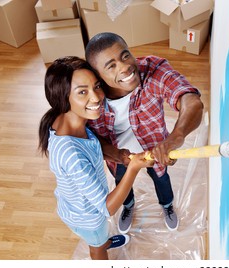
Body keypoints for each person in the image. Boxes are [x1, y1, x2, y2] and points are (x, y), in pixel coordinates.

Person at [85, 32, 204, 233]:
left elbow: (191, 100)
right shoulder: (90, 97)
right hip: (119, 156)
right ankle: (128, 206)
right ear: (98, 76)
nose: (125, 67)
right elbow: (89, 137)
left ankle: (167, 206)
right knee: (122, 181)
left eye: (125, 56)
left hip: (156, 148)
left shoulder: (152, 69)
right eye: (111, 66)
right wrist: (118, 155)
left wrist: (175, 138)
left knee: (161, 178)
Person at [38, 56, 153, 260]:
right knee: (97, 248)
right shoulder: (72, 156)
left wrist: (117, 154)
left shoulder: (63, 119)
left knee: (100, 239)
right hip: (89, 217)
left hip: (74, 205)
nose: (96, 97)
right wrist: (134, 167)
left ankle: (104, 240)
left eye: (96, 86)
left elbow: (90, 143)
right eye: (82, 92)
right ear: (62, 97)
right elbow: (107, 208)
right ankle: (102, 245)